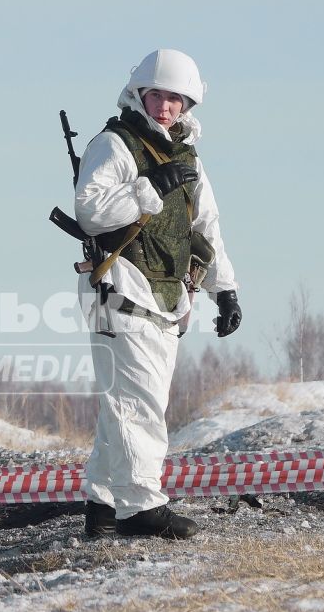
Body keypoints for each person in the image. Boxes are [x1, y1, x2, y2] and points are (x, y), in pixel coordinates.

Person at [73, 48, 240, 539]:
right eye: (158, 96)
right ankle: (141, 508)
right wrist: (149, 187)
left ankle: (102, 503)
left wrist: (224, 288)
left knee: (128, 403)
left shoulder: (187, 157)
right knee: (138, 404)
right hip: (120, 292)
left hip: (167, 297)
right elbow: (90, 210)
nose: (166, 107)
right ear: (139, 94)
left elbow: (204, 227)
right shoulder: (114, 144)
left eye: (177, 99)